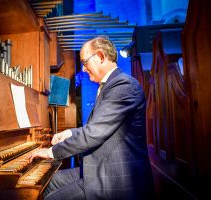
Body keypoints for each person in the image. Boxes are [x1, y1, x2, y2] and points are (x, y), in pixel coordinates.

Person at [29, 36, 155, 200]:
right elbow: (99, 128)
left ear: (101, 56)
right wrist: (69, 133)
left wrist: (50, 152)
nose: (83, 68)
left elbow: (93, 134)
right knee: (47, 182)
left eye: (85, 61)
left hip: (114, 178)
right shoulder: (110, 85)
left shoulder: (124, 85)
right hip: (98, 168)